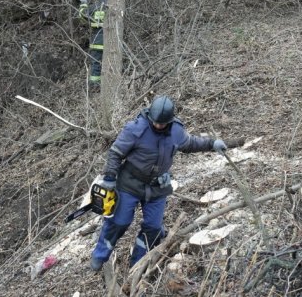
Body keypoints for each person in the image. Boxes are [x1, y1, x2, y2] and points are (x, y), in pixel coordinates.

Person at [89, 95, 227, 271]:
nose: (157, 125)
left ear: (169, 121)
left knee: (153, 227)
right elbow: (116, 152)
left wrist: (212, 144)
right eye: (155, 122)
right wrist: (110, 177)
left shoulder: (176, 131)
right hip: (130, 183)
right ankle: (100, 255)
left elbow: (190, 143)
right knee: (119, 222)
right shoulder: (135, 129)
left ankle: (137, 263)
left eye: (161, 123)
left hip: (157, 187)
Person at [78, 0, 108, 88]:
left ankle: (95, 85)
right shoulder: (113, 6)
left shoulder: (94, 7)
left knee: (96, 64)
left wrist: (83, 3)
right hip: (110, 42)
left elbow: (82, 16)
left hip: (96, 42)